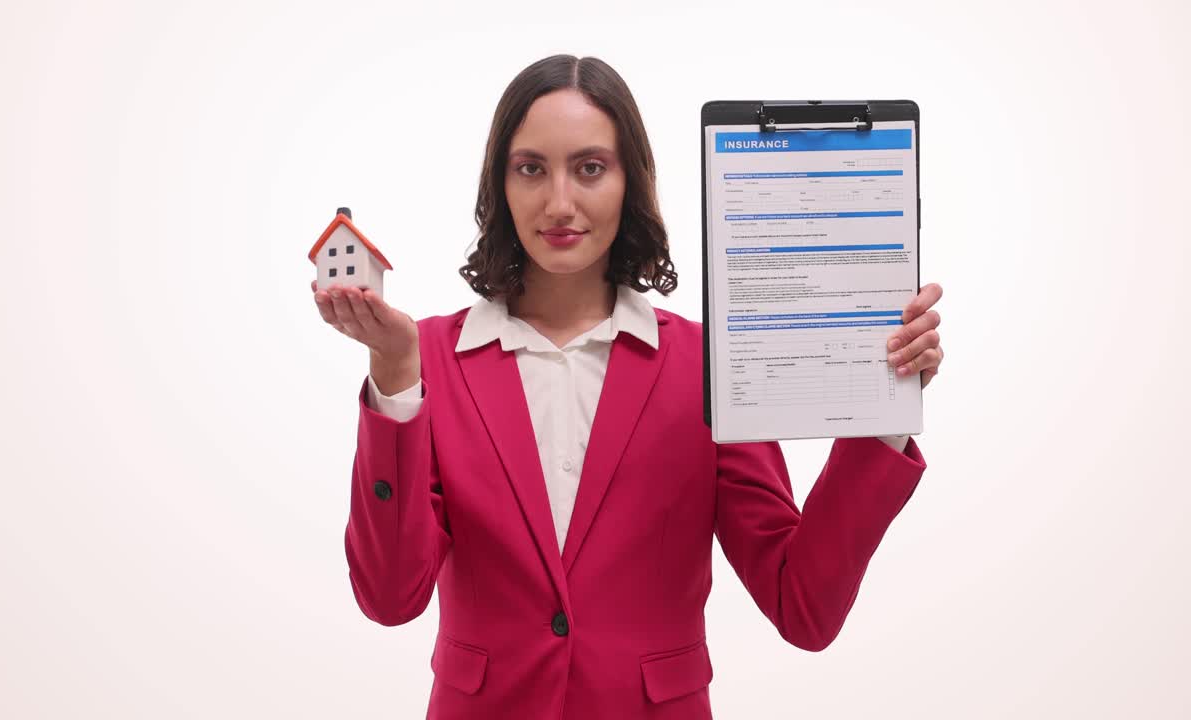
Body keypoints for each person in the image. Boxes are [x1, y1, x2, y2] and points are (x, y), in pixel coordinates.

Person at [311, 54, 944, 720]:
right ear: (499, 185)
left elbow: (804, 608)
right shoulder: (430, 359)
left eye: (590, 168)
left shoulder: (705, 365)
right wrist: (394, 377)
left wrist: (884, 412)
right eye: (531, 169)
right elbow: (389, 598)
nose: (559, 202)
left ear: (629, 182)